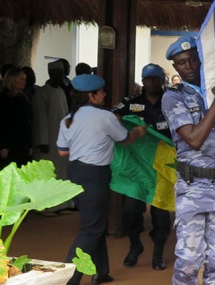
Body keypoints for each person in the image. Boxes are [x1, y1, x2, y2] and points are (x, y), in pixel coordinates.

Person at [161, 35, 215, 285]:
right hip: (193, 187)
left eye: (191, 60)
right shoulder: (173, 97)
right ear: (175, 67)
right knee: (189, 262)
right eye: (181, 62)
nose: (188, 66)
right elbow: (194, 139)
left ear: (200, 60)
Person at [58, 74, 147, 285]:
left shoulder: (67, 118)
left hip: (75, 173)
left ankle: (102, 272)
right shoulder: (104, 117)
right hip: (94, 176)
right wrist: (137, 131)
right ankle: (69, 280)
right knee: (90, 229)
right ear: (92, 96)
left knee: (94, 223)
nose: (105, 94)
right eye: (102, 91)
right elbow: (125, 139)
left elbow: (62, 152)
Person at [111, 63, 172, 271]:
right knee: (131, 209)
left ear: (163, 80)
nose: (153, 82)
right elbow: (111, 119)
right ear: (143, 80)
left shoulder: (173, 101)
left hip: (162, 167)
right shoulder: (131, 103)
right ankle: (135, 245)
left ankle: (158, 253)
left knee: (161, 212)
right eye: (148, 79)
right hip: (136, 168)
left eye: (156, 78)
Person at [31, 60, 72, 214]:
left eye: (62, 73)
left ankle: (60, 205)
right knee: (47, 174)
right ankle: (45, 207)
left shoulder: (60, 91)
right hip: (47, 142)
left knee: (60, 172)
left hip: (60, 140)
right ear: (51, 74)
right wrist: (43, 141)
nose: (61, 76)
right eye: (58, 74)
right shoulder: (42, 93)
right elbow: (40, 118)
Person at [0, 67, 33, 168]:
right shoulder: (4, 99)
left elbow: (27, 121)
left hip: (22, 141)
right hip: (11, 143)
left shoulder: (22, 98)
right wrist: (3, 145)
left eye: (25, 79)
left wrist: (29, 144)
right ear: (12, 79)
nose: (24, 82)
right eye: (21, 79)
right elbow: (2, 123)